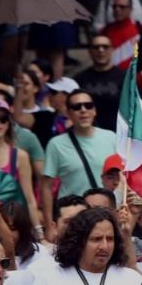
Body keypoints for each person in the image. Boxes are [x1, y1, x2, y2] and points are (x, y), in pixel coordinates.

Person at [40, 89, 116, 240]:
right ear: (68, 112)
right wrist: (49, 226)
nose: (83, 110)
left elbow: (122, 178)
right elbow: (46, 187)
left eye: (88, 106)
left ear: (94, 110)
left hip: (105, 215)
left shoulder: (111, 137)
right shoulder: (56, 144)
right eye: (76, 107)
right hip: (72, 219)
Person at [74, 36, 126, 130]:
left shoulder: (125, 77)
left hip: (119, 133)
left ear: (111, 50)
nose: (101, 50)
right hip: (88, 132)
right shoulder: (79, 79)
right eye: (96, 47)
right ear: (90, 51)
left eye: (105, 47)